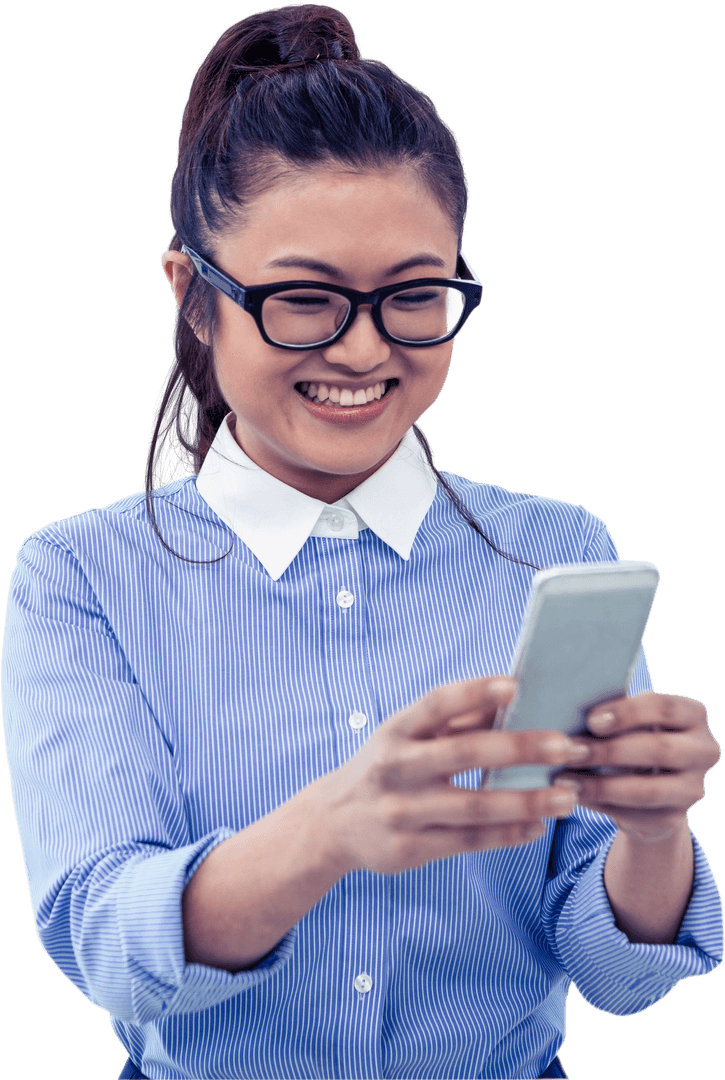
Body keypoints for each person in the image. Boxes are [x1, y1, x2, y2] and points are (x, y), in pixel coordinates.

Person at [2, 5, 722, 1079]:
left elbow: (618, 973)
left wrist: (653, 830)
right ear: (193, 296)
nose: (362, 348)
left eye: (412, 296)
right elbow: (108, 941)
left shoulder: (553, 549)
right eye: (302, 298)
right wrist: (332, 829)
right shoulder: (82, 578)